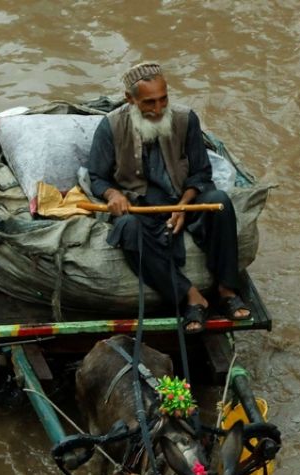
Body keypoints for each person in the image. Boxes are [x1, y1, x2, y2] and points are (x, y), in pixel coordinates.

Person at [87, 62, 251, 333]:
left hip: (182, 199)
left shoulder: (186, 119)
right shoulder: (111, 127)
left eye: (164, 99)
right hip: (141, 207)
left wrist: (183, 207)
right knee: (127, 229)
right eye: (149, 103)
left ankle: (227, 291)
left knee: (221, 202)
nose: (158, 109)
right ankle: (190, 295)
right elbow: (97, 177)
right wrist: (113, 194)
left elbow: (201, 173)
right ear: (130, 100)